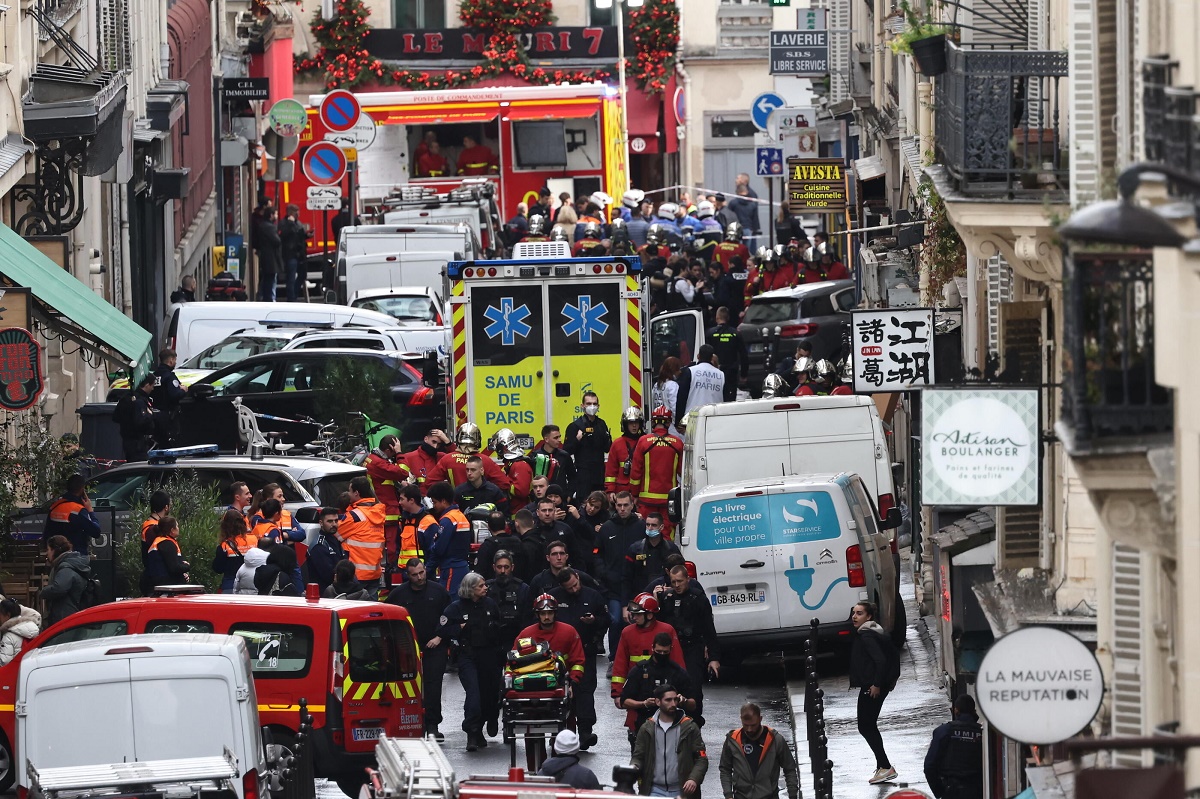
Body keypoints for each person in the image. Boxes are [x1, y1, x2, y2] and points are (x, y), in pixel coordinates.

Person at [387, 558, 453, 740]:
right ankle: (408, 724)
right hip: (407, 650)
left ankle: (432, 725)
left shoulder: (438, 591)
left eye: (422, 572)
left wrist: (440, 637)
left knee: (433, 686)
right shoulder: (398, 595)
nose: (419, 577)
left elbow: (449, 617)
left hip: (435, 646)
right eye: (415, 574)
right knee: (406, 688)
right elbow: (389, 621)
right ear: (408, 575)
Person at [437, 572, 503, 750]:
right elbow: (442, 629)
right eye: (481, 586)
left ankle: (483, 727)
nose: (485, 588)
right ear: (470, 589)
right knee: (474, 696)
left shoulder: (490, 604)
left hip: (489, 656)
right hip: (468, 657)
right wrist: (458, 628)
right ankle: (471, 733)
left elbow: (499, 626)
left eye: (484, 585)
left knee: (489, 695)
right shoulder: (456, 608)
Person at [551, 567, 610, 748]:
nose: (574, 590)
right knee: (558, 694)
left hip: (585, 651)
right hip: (559, 656)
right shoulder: (554, 597)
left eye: (575, 585)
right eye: (569, 588)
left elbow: (607, 620)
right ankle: (559, 733)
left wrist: (594, 622)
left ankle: (585, 732)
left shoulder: (593, 596)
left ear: (578, 577)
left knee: (585, 691)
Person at [656, 565, 720, 722]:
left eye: (680, 581)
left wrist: (713, 657)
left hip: (693, 648)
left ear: (688, 580)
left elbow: (709, 631)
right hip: (671, 649)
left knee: (694, 687)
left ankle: (694, 722)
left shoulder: (698, 599)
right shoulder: (666, 598)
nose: (676, 585)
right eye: (673, 582)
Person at [850, 600, 901, 785]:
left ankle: (885, 767)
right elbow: (893, 654)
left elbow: (880, 660)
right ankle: (883, 766)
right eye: (854, 613)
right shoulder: (876, 632)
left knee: (866, 726)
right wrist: (892, 678)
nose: (854, 617)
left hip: (871, 687)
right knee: (868, 725)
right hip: (875, 684)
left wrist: (877, 684)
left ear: (869, 616)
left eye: (859, 613)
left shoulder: (867, 636)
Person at [630, 684, 708, 798]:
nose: (673, 704)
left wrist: (694, 779)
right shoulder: (647, 728)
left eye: (675, 699)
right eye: (668, 700)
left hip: (681, 791)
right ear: (658, 702)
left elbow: (701, 758)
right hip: (654, 790)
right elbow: (638, 756)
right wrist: (634, 768)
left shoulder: (689, 727)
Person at [619, 632, 696, 739]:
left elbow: (693, 704)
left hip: (672, 728)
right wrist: (644, 704)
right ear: (652, 648)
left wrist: (684, 701)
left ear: (671, 649)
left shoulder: (678, 672)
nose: (662, 655)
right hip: (644, 725)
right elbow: (624, 701)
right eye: (659, 651)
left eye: (665, 652)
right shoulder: (639, 670)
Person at [596, 491, 645, 658]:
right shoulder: (607, 528)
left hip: (636, 585)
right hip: (614, 586)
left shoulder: (641, 527)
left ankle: (634, 658)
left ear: (632, 505)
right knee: (616, 621)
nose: (622, 509)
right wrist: (604, 572)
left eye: (626, 505)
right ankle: (614, 659)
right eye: (619, 505)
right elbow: (597, 552)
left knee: (636, 622)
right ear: (615, 506)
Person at [611, 592, 686, 699]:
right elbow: (620, 664)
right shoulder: (627, 633)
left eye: (638, 614)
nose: (634, 617)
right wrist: (617, 693)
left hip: (663, 689)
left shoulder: (667, 630)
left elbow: (677, 661)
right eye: (633, 614)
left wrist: (681, 690)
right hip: (636, 688)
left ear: (650, 615)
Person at [719, 702, 801, 799]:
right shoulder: (732, 740)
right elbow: (725, 769)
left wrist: (792, 794)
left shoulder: (775, 740)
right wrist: (728, 794)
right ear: (741, 719)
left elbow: (789, 768)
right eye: (746, 725)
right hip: (741, 796)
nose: (749, 729)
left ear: (760, 719)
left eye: (753, 725)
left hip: (768, 796)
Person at [629, 407, 684, 535]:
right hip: (669, 498)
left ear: (653, 422)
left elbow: (636, 472)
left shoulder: (643, 441)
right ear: (669, 423)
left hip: (646, 499)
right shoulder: (677, 443)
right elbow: (683, 472)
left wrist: (635, 495)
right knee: (667, 531)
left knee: (646, 530)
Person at [516, 593, 586, 685]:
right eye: (543, 613)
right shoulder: (526, 634)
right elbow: (513, 661)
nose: (546, 617)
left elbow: (578, 661)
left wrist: (573, 682)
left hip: (562, 681)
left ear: (555, 613)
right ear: (537, 615)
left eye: (550, 613)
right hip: (530, 682)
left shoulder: (569, 632)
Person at [924, 695, 984, 799]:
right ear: (973, 710)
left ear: (956, 710)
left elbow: (929, 766)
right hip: (977, 792)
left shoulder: (944, 731)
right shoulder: (982, 733)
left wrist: (940, 792)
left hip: (951, 791)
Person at [364, 433, 412, 565]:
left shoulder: (374, 459)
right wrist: (399, 454)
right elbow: (403, 472)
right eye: (393, 451)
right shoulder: (379, 463)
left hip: (381, 508)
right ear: (388, 450)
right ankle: (391, 570)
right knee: (391, 546)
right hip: (386, 510)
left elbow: (385, 479)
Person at [336, 476, 387, 593]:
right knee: (372, 609)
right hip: (374, 572)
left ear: (356, 493)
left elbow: (336, 533)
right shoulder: (378, 512)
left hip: (356, 575)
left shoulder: (354, 516)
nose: (348, 494)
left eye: (350, 491)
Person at [429, 423, 511, 493]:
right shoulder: (485, 460)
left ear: (458, 438)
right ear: (478, 439)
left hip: (455, 507)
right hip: (480, 507)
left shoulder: (447, 459)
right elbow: (504, 484)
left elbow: (429, 482)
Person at [564, 391, 612, 499]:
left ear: (598, 406)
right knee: (584, 504)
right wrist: (577, 439)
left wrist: (607, 438)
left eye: (594, 404)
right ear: (582, 406)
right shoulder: (575, 426)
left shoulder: (601, 424)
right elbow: (567, 451)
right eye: (589, 404)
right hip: (583, 475)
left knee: (600, 504)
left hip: (599, 474)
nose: (592, 406)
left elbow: (607, 448)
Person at [426, 481, 471, 594]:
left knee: (448, 599)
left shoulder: (447, 520)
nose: (434, 506)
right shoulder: (460, 516)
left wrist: (427, 569)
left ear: (444, 501)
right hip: (462, 566)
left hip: (450, 569)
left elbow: (439, 549)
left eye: (435, 502)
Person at [41, 535, 94, 626]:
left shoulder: (66, 567)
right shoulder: (71, 563)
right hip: (71, 613)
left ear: (54, 550)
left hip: (65, 616)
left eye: (48, 549)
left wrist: (44, 592)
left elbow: (59, 588)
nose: (47, 553)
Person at [625, 514, 681, 599]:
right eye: (648, 525)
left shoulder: (671, 549)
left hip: (666, 598)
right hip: (640, 598)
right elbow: (626, 578)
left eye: (654, 525)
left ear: (661, 527)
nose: (650, 528)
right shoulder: (635, 549)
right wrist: (626, 605)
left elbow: (680, 573)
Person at [44, 473, 101, 555]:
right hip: (76, 555)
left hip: (56, 556)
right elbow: (96, 532)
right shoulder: (78, 510)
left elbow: (47, 534)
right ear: (82, 490)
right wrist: (90, 511)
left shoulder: (55, 506)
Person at [486, 549, 532, 646]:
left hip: (516, 638)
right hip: (491, 640)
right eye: (499, 567)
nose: (503, 571)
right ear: (494, 567)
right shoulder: (486, 588)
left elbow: (528, 618)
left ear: (512, 567)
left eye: (506, 567)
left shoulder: (523, 588)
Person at [528, 539, 602, 597]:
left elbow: (598, 596)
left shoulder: (581, 577)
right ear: (548, 558)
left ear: (567, 556)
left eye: (562, 553)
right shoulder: (539, 580)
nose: (559, 558)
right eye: (554, 554)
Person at [211, 507, 258, 593]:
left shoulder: (224, 546)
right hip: (253, 584)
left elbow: (217, 569)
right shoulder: (254, 540)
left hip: (230, 586)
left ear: (224, 527)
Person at [706, 308, 747, 403]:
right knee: (730, 399)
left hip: (714, 372)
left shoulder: (710, 333)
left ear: (717, 318)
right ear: (728, 318)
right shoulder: (735, 333)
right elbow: (743, 355)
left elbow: (706, 353)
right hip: (731, 371)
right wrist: (744, 374)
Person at [114, 374, 157, 461]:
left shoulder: (126, 397)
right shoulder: (139, 401)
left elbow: (116, 417)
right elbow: (141, 422)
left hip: (127, 441)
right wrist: (151, 415)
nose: (153, 389)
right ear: (147, 385)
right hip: (138, 443)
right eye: (152, 386)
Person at [150, 347, 187, 446]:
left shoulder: (155, 376)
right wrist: (183, 390)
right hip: (168, 416)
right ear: (171, 360)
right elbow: (175, 394)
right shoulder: (169, 377)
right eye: (175, 360)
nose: (175, 363)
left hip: (155, 415)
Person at [604, 407, 644, 500]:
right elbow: (610, 472)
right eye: (631, 423)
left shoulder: (645, 442)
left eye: (636, 422)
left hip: (641, 491)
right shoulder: (617, 444)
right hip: (621, 491)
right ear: (625, 425)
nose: (634, 426)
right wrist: (610, 491)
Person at [143, 516, 189, 591]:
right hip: (167, 588)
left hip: (159, 585)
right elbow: (174, 568)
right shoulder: (167, 544)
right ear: (172, 530)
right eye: (177, 526)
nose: (178, 528)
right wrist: (186, 566)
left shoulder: (160, 542)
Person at [395, 484, 434, 573]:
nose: (399, 502)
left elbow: (433, 552)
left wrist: (426, 572)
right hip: (404, 573)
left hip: (422, 574)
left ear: (411, 500)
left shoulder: (428, 521)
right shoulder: (404, 521)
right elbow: (398, 547)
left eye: (402, 499)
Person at [305, 507, 344, 593]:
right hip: (324, 593)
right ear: (321, 523)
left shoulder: (334, 540)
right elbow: (328, 576)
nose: (334, 524)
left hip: (337, 589)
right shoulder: (319, 545)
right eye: (330, 521)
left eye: (336, 521)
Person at [404, 428, 453, 494]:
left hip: (438, 500)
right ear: (426, 439)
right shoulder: (408, 457)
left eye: (439, 444)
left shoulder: (442, 457)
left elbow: (456, 459)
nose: (435, 446)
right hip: (416, 501)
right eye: (434, 442)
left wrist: (447, 441)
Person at [530, 425, 575, 493]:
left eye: (559, 437)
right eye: (556, 438)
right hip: (541, 498)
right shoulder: (535, 456)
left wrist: (569, 495)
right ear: (546, 439)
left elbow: (573, 477)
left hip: (560, 498)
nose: (559, 440)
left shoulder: (564, 455)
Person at [279, 203, 308, 302]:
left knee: (302, 275)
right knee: (290, 278)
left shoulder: (298, 223)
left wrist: (307, 236)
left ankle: (294, 293)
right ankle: (291, 298)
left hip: (299, 254)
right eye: (297, 212)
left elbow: (299, 235)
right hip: (290, 254)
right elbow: (285, 235)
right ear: (291, 213)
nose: (298, 214)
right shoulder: (284, 223)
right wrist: (290, 223)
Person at [0, 597, 40, 665]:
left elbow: (4, 661)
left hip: (15, 671)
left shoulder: (8, 636)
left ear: (8, 615)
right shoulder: (31, 628)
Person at [254, 206, 282, 302]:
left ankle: (264, 296)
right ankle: (270, 298)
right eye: (276, 214)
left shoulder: (263, 225)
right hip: (271, 258)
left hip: (267, 257)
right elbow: (277, 241)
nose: (277, 216)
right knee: (271, 279)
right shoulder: (269, 227)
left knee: (267, 279)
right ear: (271, 215)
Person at [651, 359, 682, 438]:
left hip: (658, 425)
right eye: (678, 369)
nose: (680, 372)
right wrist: (680, 424)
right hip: (671, 427)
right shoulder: (672, 385)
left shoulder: (656, 386)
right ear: (673, 370)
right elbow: (675, 407)